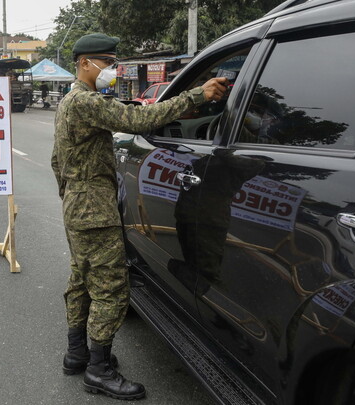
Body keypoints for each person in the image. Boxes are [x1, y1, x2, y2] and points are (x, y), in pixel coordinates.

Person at [51, 32, 228, 400]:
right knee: (112, 288)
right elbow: (141, 118)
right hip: (94, 209)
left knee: (82, 280)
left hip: (78, 205)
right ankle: (99, 371)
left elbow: (57, 161)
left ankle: (77, 354)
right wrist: (198, 95)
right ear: (85, 63)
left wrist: (70, 196)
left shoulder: (69, 101)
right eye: (107, 62)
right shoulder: (85, 102)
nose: (112, 69)